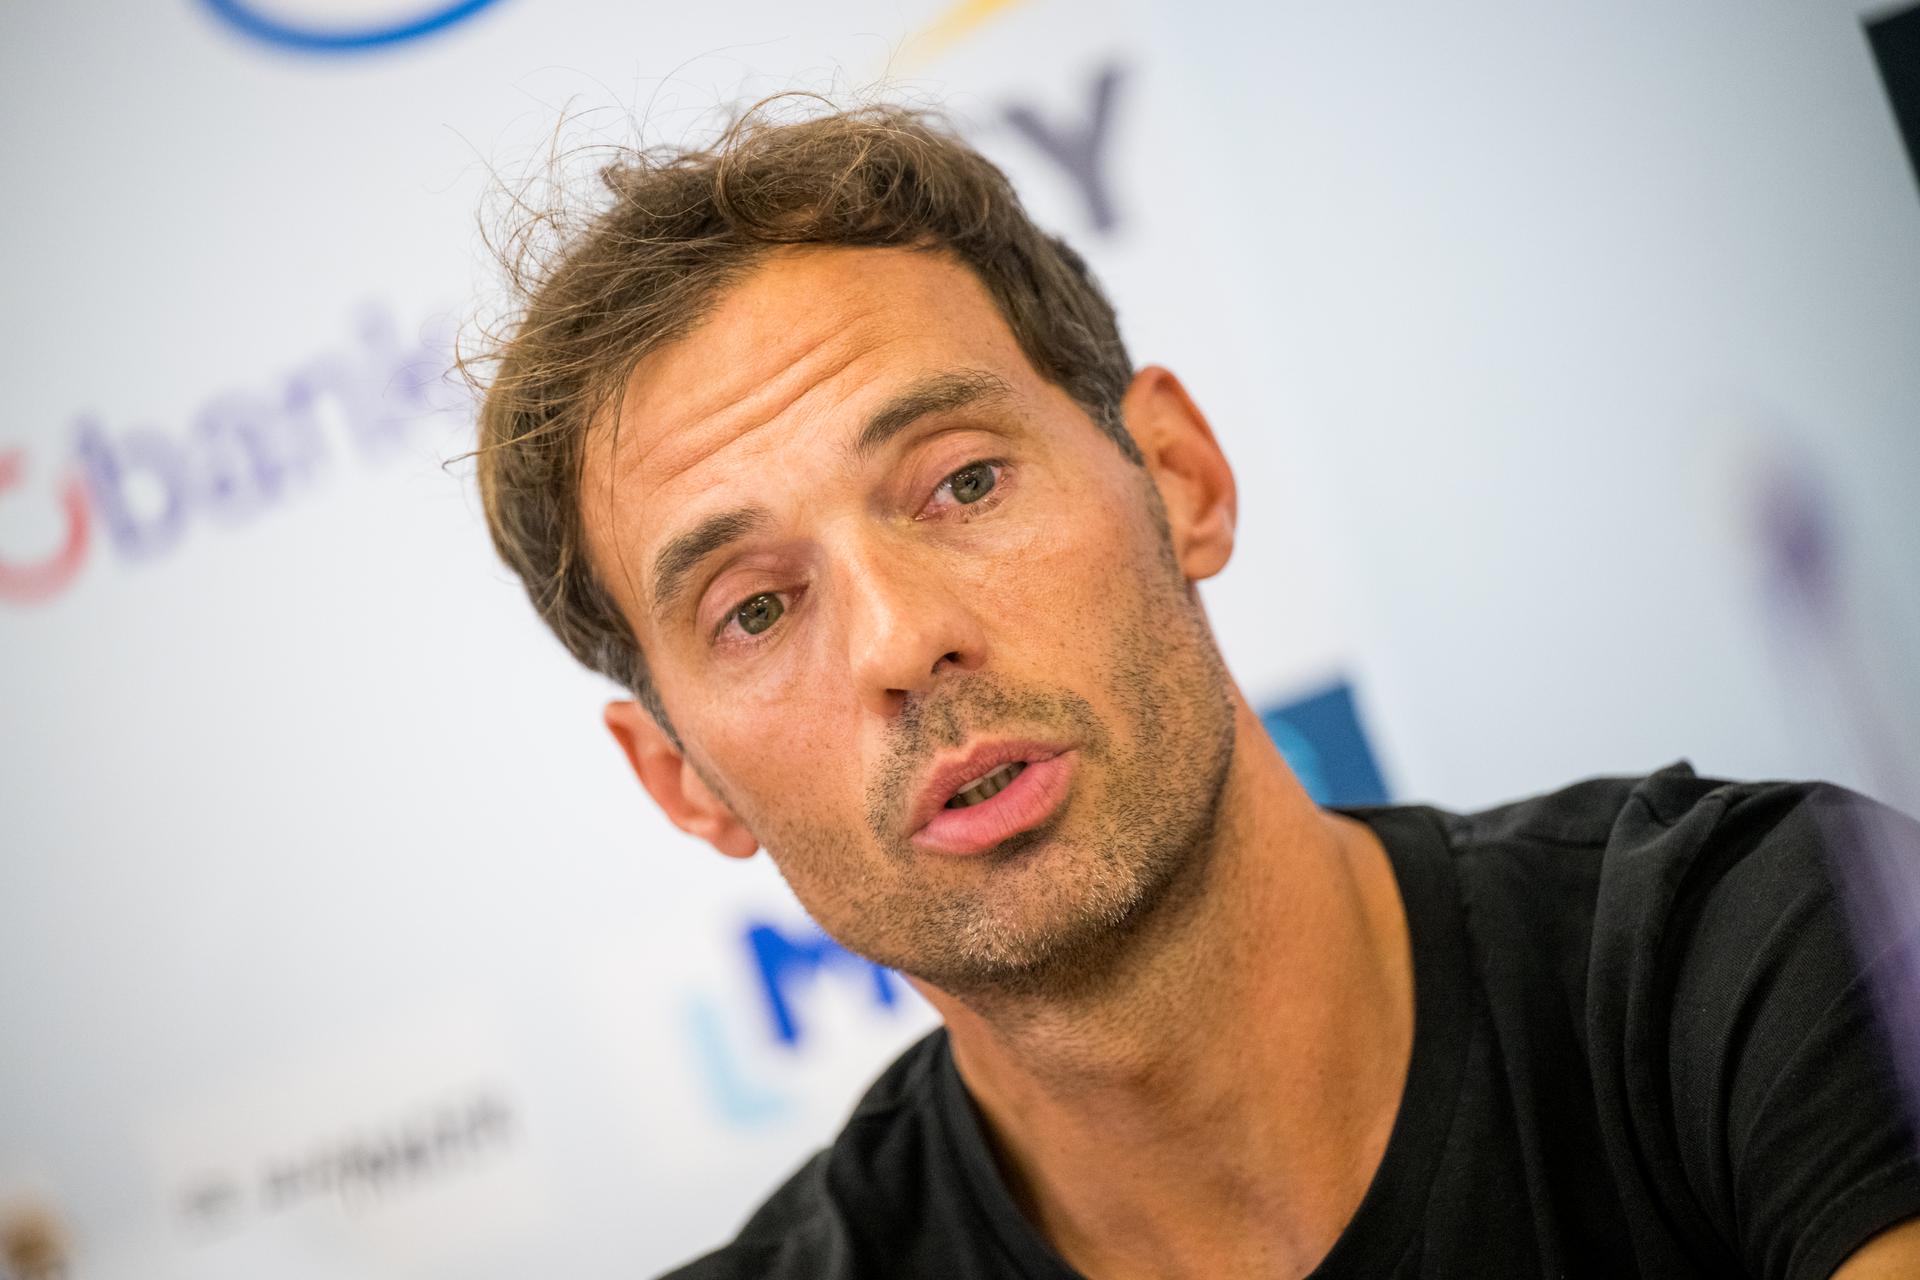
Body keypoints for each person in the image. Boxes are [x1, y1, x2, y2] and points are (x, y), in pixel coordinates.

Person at [468, 102, 1920, 1278]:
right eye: (758, 610)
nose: (901, 643)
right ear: (679, 780)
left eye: (963, 482)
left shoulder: (1757, 944)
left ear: (1180, 479)